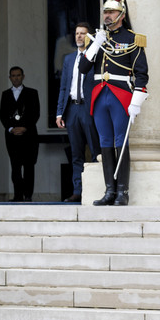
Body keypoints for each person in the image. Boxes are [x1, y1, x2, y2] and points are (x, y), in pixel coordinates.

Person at [79, 0, 148, 206]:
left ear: (121, 15)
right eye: (105, 12)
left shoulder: (132, 39)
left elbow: (141, 73)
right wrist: (95, 44)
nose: (107, 16)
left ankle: (122, 192)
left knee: (121, 142)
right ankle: (109, 190)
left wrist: (137, 100)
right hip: (100, 95)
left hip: (121, 95)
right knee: (105, 142)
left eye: (111, 12)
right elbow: (83, 68)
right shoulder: (98, 38)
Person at [55, 22, 100, 202]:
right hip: (72, 109)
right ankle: (77, 190)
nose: (79, 36)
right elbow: (63, 87)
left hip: (89, 108)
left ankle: (97, 189)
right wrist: (59, 112)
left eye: (83, 33)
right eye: (77, 33)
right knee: (76, 153)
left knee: (96, 150)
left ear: (89, 37)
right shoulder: (68, 59)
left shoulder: (95, 57)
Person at [0, 66, 40, 202]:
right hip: (12, 136)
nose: (16, 78)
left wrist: (25, 127)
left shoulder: (32, 93)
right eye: (13, 76)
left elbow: (35, 113)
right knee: (15, 166)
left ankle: (28, 195)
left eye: (18, 75)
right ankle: (18, 195)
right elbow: (2, 115)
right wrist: (11, 128)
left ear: (23, 76)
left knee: (29, 166)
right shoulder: (5, 94)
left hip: (29, 135)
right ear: (10, 78)